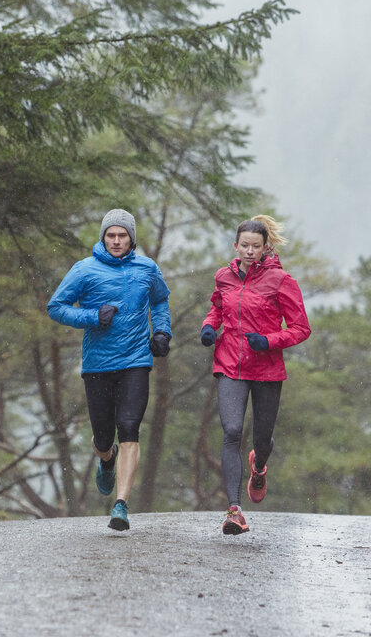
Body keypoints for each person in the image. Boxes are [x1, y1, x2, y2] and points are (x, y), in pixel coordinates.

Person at [47, 208, 172, 531]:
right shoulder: (84, 270)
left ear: (132, 238)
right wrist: (91, 317)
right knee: (104, 436)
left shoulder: (147, 268)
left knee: (130, 426)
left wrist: (161, 332)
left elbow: (159, 301)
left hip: (136, 361)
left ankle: (121, 504)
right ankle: (106, 458)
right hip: (98, 364)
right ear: (103, 238)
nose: (116, 241)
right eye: (111, 235)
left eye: (122, 235)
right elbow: (56, 307)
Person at [200, 215, 310, 535]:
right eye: (244, 245)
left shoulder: (281, 281)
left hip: (266, 369)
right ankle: (234, 511)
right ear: (236, 246)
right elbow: (218, 308)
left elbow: (302, 329)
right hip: (230, 365)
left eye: (255, 246)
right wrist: (209, 327)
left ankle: (258, 464)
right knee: (232, 431)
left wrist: (268, 341)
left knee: (261, 439)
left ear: (265, 249)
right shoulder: (224, 276)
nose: (249, 251)